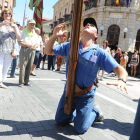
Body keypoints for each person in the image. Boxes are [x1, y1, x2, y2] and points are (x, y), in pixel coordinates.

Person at [44, 17, 128, 134]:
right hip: (68, 92)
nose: (88, 24)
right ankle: (78, 114)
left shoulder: (100, 53)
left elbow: (121, 70)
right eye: (86, 24)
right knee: (60, 120)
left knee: (80, 129)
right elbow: (48, 51)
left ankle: (95, 111)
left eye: (92, 25)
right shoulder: (70, 46)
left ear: (96, 35)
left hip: (85, 96)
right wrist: (54, 36)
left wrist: (122, 80)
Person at [0, 8, 21, 89]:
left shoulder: (14, 25)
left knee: (6, 66)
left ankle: (1, 81)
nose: (7, 14)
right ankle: (0, 82)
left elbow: (18, 37)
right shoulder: (0, 24)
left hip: (10, 49)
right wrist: (1, 25)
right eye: (5, 13)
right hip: (1, 48)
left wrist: (15, 28)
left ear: (11, 15)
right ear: (2, 15)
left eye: (9, 13)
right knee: (0, 65)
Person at [18, 19, 39, 87]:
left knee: (29, 66)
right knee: (23, 66)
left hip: (32, 50)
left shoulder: (35, 34)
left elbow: (37, 43)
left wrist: (35, 45)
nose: (32, 25)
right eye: (31, 24)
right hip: (24, 50)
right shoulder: (23, 32)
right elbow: (20, 42)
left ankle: (27, 81)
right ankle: (21, 82)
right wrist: (28, 45)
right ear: (27, 24)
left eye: (33, 24)